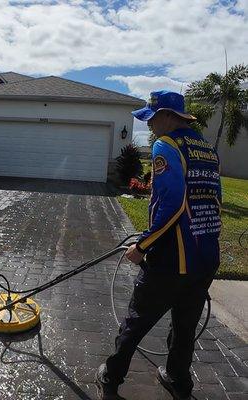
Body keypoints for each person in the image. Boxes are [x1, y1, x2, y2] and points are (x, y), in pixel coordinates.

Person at [95, 90, 222, 400]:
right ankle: (179, 382)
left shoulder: (167, 145)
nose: (149, 126)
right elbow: (213, 201)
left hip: (172, 258)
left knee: (136, 322)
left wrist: (143, 245)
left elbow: (172, 201)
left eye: (152, 118)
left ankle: (110, 378)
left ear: (167, 116)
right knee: (185, 326)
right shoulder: (206, 148)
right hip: (205, 257)